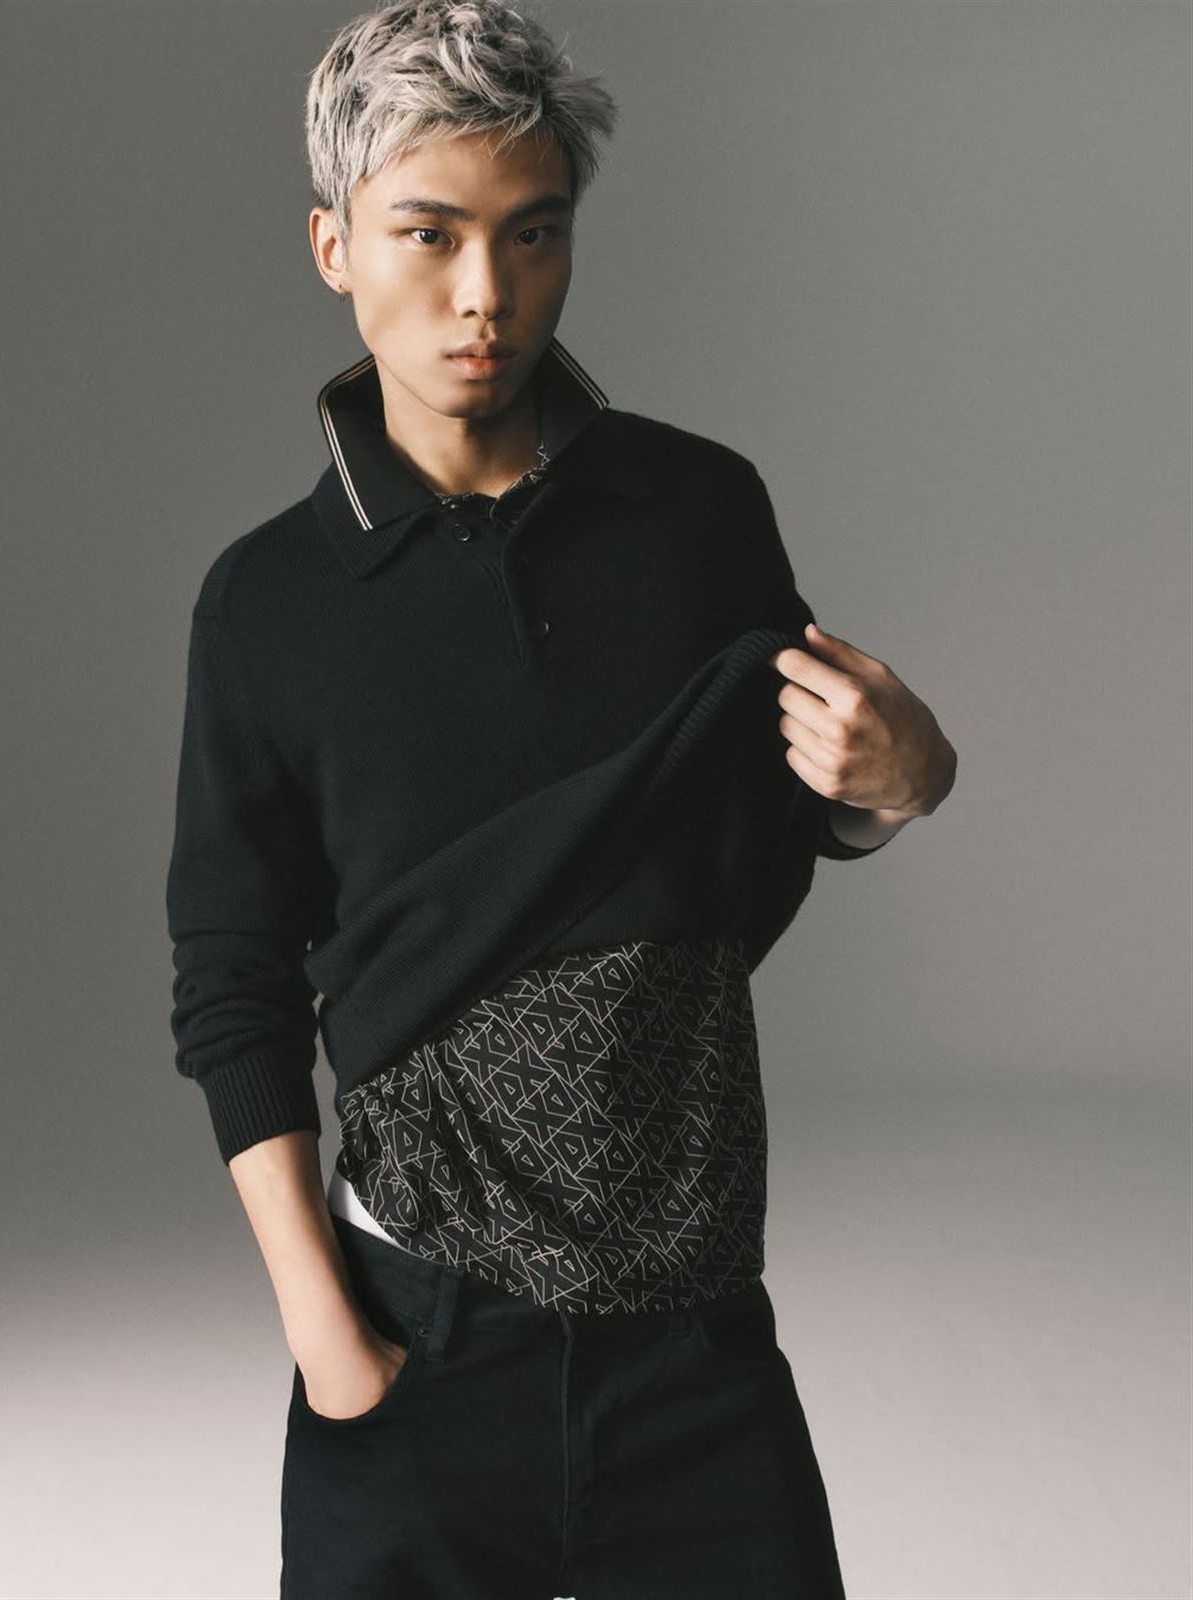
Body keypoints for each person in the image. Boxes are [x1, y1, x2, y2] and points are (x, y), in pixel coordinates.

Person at [164, 2, 958, 1595]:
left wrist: (901, 785)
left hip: (697, 1337)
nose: (486, 293)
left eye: (533, 233)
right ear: (334, 246)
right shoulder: (267, 603)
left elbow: (767, 837)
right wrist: (327, 1336)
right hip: (417, 1340)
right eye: (430, 234)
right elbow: (233, 974)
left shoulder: (698, 510)